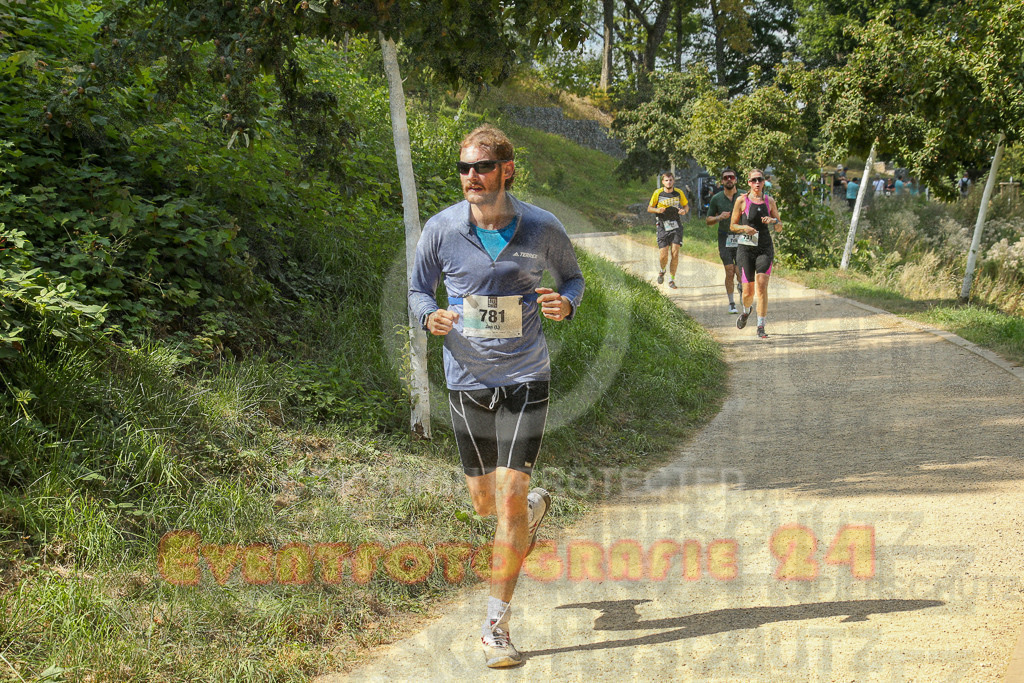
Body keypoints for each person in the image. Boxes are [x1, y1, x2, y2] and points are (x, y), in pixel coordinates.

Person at [408, 124, 585, 669]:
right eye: (464, 167)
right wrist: (429, 315)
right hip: (467, 380)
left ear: (507, 170)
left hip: (526, 375)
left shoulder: (542, 226)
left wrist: (566, 304)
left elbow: (573, 279)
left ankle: (495, 626)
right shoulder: (442, 229)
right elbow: (417, 289)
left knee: (507, 497)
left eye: (482, 166)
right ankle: (530, 513)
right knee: (485, 503)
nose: (471, 176)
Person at [731, 169, 783, 339]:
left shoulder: (769, 201)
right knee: (747, 293)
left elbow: (779, 226)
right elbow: (732, 226)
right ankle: (746, 311)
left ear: (763, 182)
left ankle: (761, 325)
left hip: (764, 248)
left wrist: (774, 221)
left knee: (761, 286)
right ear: (749, 183)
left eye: (760, 179)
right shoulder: (741, 200)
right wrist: (744, 228)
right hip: (746, 249)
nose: (757, 183)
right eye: (754, 180)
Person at [706, 168, 742, 313]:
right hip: (724, 237)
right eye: (726, 177)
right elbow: (708, 220)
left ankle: (742, 290)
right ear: (722, 181)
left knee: (740, 271)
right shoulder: (717, 198)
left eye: (731, 177)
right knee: (729, 270)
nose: (729, 180)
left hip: (741, 237)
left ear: (735, 180)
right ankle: (731, 302)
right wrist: (719, 217)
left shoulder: (743, 196)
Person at [647, 171, 689, 289]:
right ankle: (662, 270)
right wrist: (657, 210)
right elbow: (649, 208)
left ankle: (672, 279)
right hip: (662, 225)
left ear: (673, 181)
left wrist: (684, 211)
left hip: (676, 225)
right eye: (666, 180)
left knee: (675, 253)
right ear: (663, 182)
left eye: (670, 180)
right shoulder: (658, 193)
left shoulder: (679, 192)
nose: (669, 182)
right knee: (663, 255)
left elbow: (686, 206)